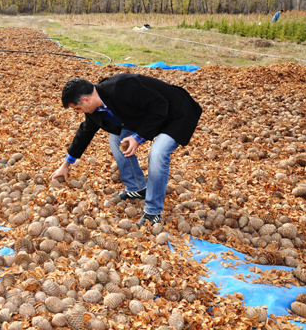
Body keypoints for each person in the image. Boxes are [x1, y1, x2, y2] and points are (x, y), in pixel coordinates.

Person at [50, 74, 202, 227]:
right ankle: (137, 188)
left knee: (158, 153)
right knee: (115, 139)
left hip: (175, 113)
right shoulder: (95, 108)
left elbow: (160, 106)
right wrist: (65, 165)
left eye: (78, 109)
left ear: (86, 100)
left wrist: (137, 137)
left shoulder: (122, 86)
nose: (79, 113)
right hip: (149, 115)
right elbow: (84, 133)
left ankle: (153, 211)